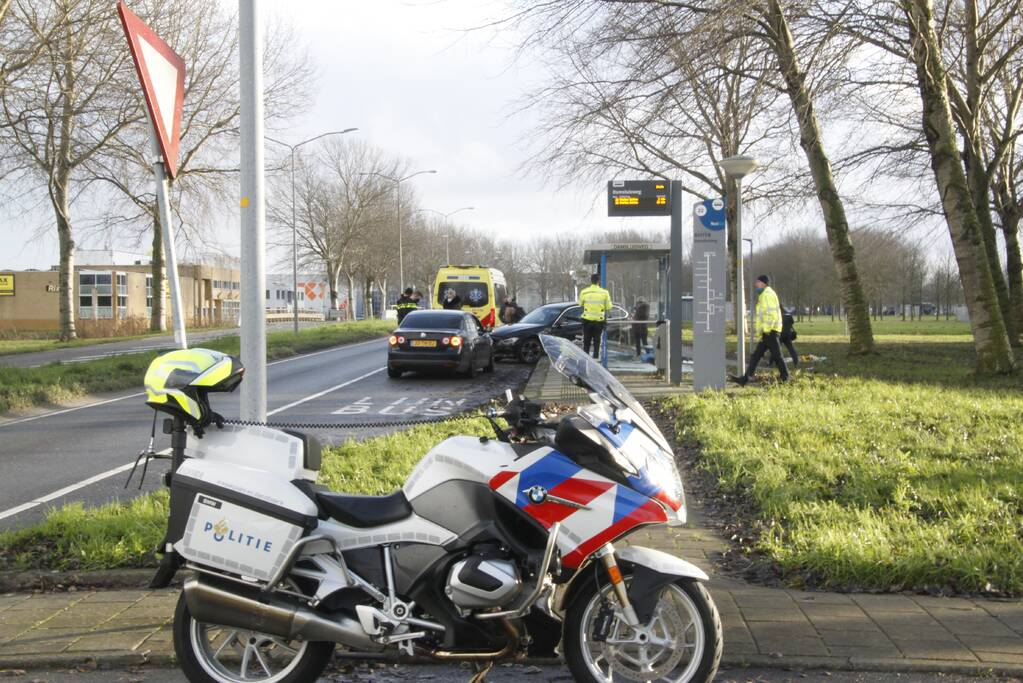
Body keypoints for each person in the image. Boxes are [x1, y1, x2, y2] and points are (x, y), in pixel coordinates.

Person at [732, 275, 789, 385]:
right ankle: (745, 379)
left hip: (771, 331)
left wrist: (766, 330)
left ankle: (786, 378)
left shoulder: (767, 294)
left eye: (758, 282)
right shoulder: (764, 294)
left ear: (764, 283)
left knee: (777, 356)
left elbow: (770, 313)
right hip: (768, 332)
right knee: (757, 355)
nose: (756, 284)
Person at [578, 273, 612, 359]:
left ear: (591, 281)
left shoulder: (584, 292)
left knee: (586, 342)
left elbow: (580, 304)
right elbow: (609, 307)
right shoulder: (605, 293)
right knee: (597, 342)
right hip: (599, 321)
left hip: (587, 320)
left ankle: (586, 360)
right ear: (599, 281)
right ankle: (596, 359)